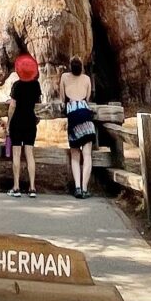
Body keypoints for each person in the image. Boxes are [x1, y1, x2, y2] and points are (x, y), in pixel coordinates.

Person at [5, 53, 42, 197]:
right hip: (30, 121)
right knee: (29, 154)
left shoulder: (17, 86)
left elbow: (13, 106)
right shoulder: (36, 86)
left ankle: (16, 187)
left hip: (17, 121)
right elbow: (37, 104)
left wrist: (9, 122)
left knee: (16, 154)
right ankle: (32, 187)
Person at [59, 57, 95, 198]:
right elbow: (87, 97)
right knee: (87, 155)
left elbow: (62, 98)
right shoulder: (86, 79)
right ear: (81, 67)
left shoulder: (64, 77)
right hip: (85, 114)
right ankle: (85, 188)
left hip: (73, 115)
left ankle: (78, 188)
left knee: (75, 155)